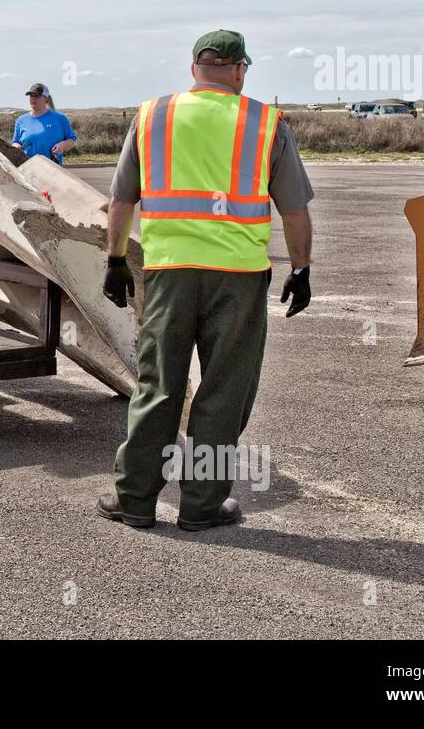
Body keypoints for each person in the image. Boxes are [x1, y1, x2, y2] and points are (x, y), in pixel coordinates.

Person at [97, 30, 314, 531]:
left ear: (194, 68)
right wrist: (301, 269)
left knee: (158, 384)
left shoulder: (152, 116)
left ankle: (134, 499)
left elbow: (122, 199)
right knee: (223, 390)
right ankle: (200, 505)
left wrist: (115, 260)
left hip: (169, 273)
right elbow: (294, 210)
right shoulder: (266, 123)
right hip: (238, 278)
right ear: (240, 70)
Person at [11, 83, 77, 164]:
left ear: (46, 98)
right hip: (27, 167)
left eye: (37, 96)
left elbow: (72, 140)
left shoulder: (60, 118)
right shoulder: (21, 120)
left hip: (52, 168)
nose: (33, 98)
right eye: (31, 96)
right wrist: (16, 146)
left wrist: (62, 146)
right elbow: (15, 142)